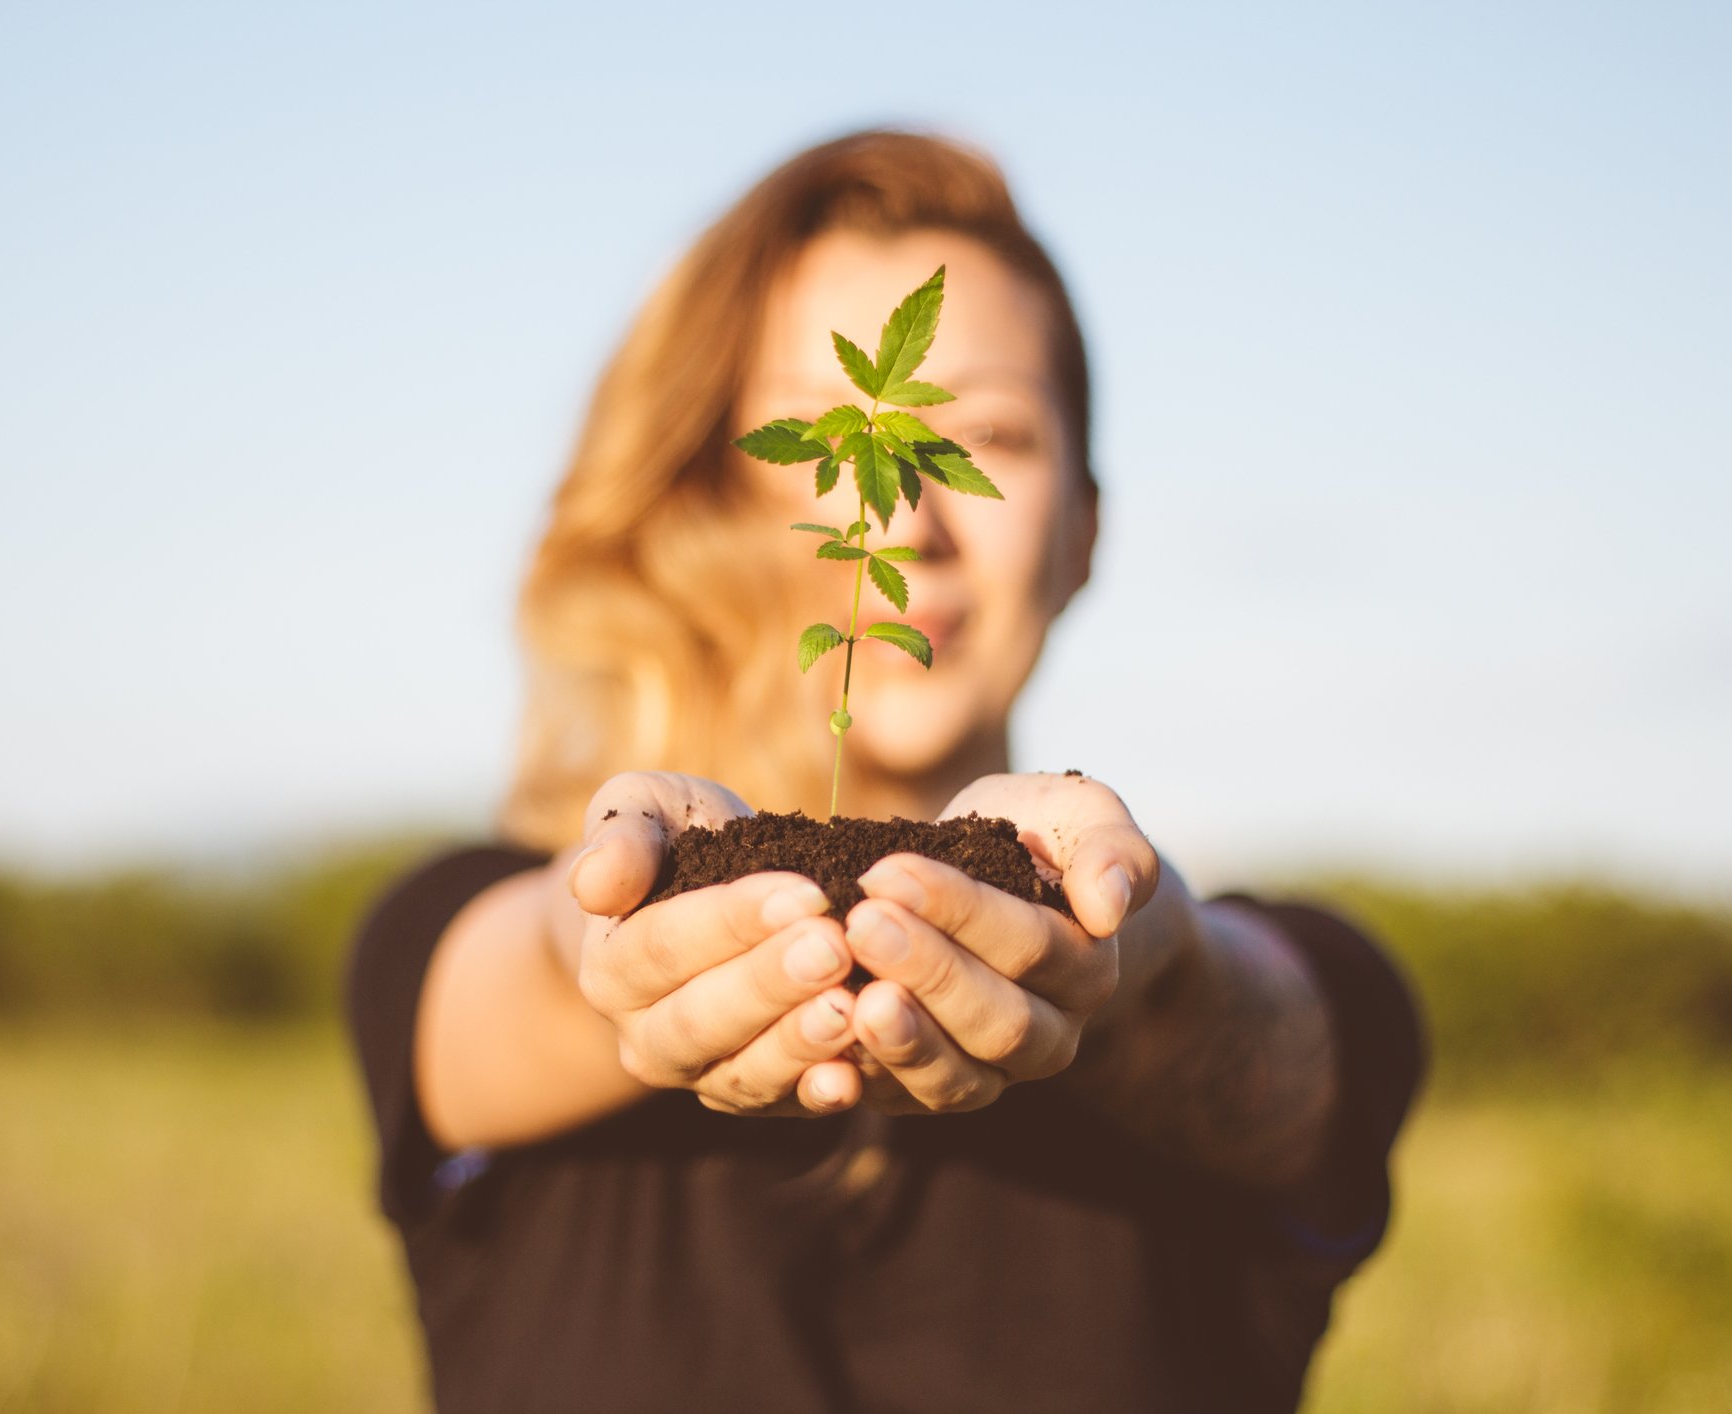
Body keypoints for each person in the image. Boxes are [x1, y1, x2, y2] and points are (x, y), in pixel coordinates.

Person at [350, 130, 1424, 1413]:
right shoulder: (448, 939)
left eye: (994, 436)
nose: (910, 519)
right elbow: (518, 979)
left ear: (1084, 531)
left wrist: (1129, 956)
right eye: (828, 432)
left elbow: (1276, 1038)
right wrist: (626, 935)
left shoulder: (1304, 994)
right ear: (714, 502)